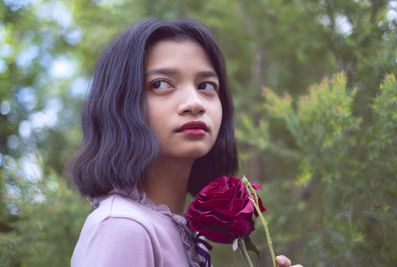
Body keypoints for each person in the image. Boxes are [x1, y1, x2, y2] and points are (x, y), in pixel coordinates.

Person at [68, 18, 302, 267]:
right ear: (119, 103)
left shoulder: (177, 231)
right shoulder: (123, 228)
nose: (195, 103)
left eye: (206, 86)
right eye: (160, 84)